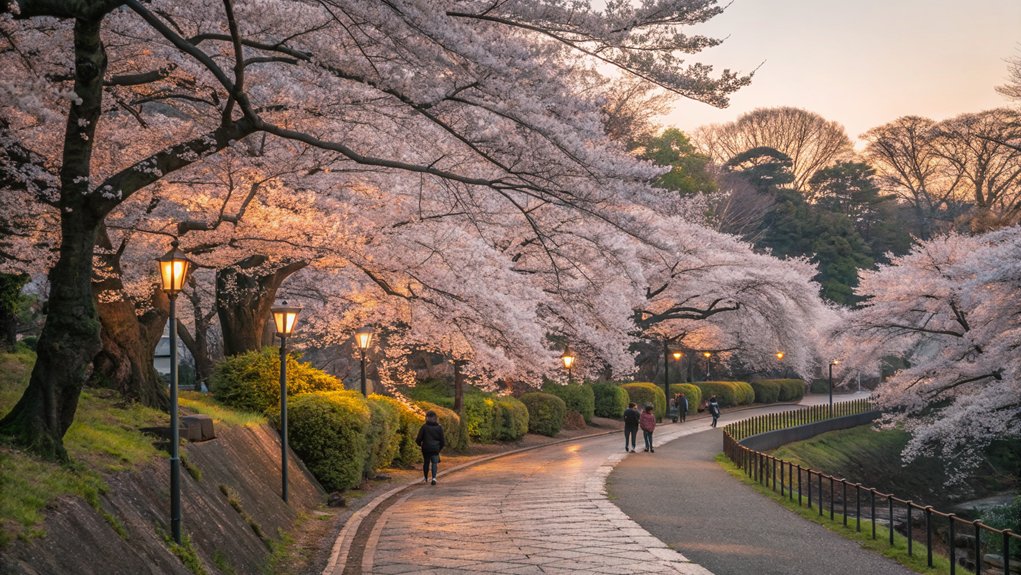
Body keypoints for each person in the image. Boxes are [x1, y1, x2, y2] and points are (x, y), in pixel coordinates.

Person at [415, 410, 445, 485]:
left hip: (426, 448)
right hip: (435, 448)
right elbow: (442, 440)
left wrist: (420, 444)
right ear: (435, 418)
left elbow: (418, 439)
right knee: (434, 463)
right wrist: (439, 448)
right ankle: (434, 478)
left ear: (427, 418)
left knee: (426, 462)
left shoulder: (424, 427)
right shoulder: (439, 427)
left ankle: (425, 478)